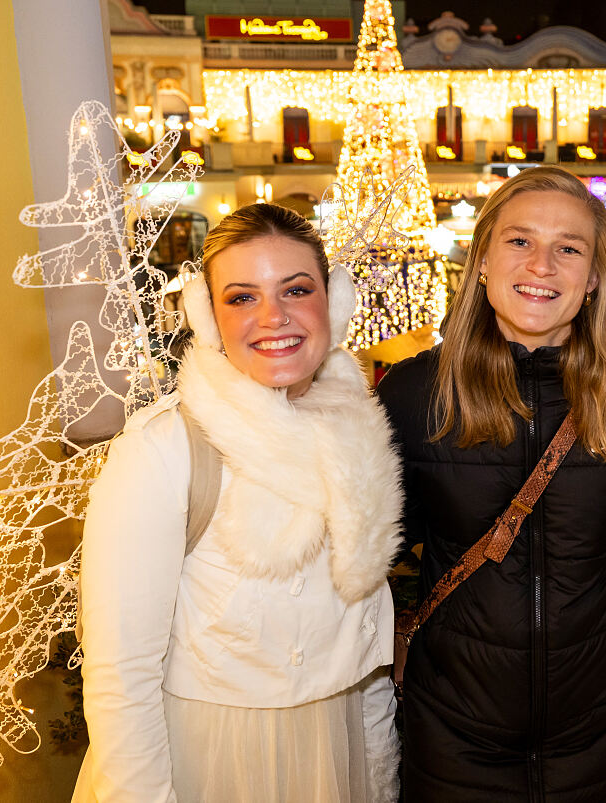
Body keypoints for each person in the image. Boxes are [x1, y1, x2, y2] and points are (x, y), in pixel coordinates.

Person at [376, 166, 606, 801]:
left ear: (596, 275)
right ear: (483, 260)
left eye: (568, 248)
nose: (542, 265)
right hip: (454, 737)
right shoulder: (414, 396)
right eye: (520, 241)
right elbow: (360, 559)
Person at [74, 203, 403, 802]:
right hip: (211, 758)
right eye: (242, 297)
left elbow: (363, 651)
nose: (273, 317)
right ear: (208, 317)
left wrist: (379, 773)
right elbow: (121, 677)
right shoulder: (164, 450)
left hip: (336, 751)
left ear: (335, 301)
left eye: (296, 289)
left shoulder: (361, 436)